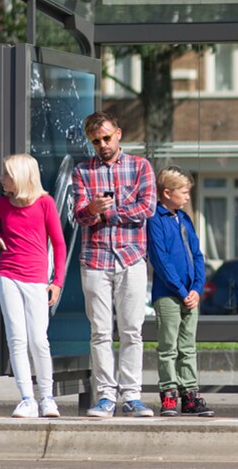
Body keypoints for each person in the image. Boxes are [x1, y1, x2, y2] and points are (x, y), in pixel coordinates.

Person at [72, 111, 157, 417]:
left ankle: (132, 396)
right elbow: (78, 216)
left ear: (119, 133)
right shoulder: (82, 171)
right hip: (95, 259)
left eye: (107, 138)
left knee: (133, 330)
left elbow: (147, 208)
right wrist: (92, 209)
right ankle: (106, 397)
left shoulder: (140, 166)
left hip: (131, 258)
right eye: (96, 141)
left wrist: (109, 213)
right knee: (100, 332)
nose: (102, 145)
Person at [0, 154, 66, 418]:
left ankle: (47, 398)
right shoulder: (1, 204)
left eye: (6, 174)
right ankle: (27, 399)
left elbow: (59, 245)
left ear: (21, 177)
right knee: (17, 339)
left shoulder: (45, 203)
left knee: (39, 340)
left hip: (37, 279)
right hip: (8, 276)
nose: (1, 179)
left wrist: (57, 281)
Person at [146, 166, 214, 417]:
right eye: (183, 192)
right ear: (167, 192)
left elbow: (197, 254)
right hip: (168, 294)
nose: (187, 197)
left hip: (189, 295)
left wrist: (197, 288)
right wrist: (181, 289)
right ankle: (169, 395)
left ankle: (190, 395)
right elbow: (160, 259)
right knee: (168, 346)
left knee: (188, 346)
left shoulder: (185, 219)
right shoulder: (155, 218)